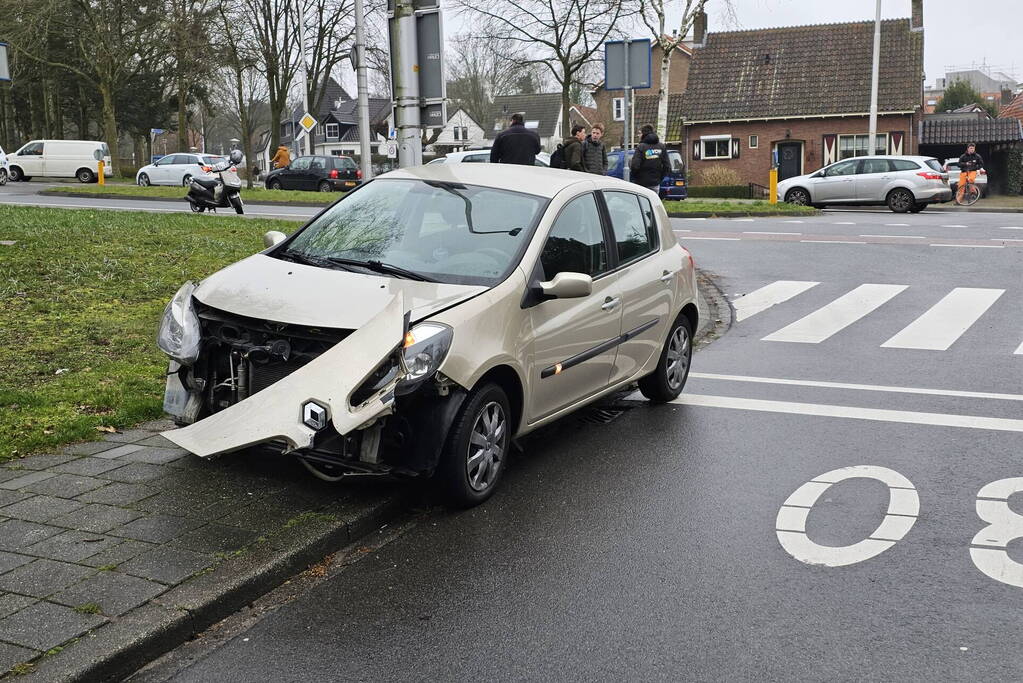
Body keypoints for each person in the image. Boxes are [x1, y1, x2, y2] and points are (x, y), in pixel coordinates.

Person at [630, 124, 671, 193]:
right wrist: (659, 179)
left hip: (641, 183)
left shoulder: (641, 147)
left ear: (644, 134)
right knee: (653, 202)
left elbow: (635, 165)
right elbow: (667, 166)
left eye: (640, 133)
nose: (638, 136)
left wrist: (635, 177)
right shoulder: (661, 147)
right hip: (655, 183)